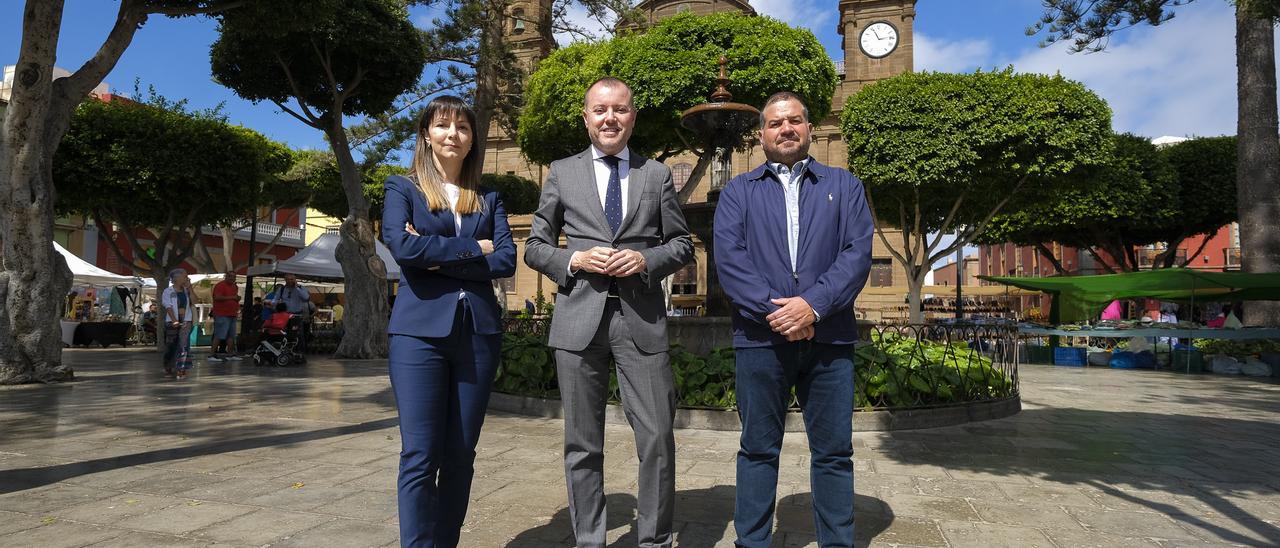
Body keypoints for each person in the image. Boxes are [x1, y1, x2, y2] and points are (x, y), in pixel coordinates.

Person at [524, 77, 693, 548]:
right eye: (600, 110)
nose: (610, 118)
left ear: (632, 117)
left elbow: (681, 244)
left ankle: (654, 540)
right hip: (578, 321)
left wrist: (646, 260)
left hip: (641, 320)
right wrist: (572, 260)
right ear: (586, 117)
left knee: (658, 436)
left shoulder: (655, 174)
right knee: (582, 443)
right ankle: (590, 539)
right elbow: (535, 247)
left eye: (620, 110)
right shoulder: (561, 171)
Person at [713, 91, 873, 547]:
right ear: (761, 134)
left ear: (809, 128)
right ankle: (753, 542)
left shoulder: (845, 186)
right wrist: (778, 313)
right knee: (758, 450)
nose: (786, 128)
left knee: (834, 454)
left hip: (830, 339)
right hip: (760, 342)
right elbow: (730, 260)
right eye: (776, 122)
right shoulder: (738, 193)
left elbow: (856, 254)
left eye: (795, 120)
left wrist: (813, 307)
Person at [382, 95, 516, 548]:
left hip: (478, 335)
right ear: (426, 135)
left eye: (462, 127)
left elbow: (505, 261)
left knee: (460, 456)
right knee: (420, 454)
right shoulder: (403, 189)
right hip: (418, 335)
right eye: (443, 125)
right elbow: (403, 250)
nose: (452, 134)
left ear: (472, 138)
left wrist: (436, 256)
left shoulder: (490, 199)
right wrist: (473, 249)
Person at [161, 268, 197, 380]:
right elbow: (168, 306)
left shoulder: (186, 291)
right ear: (177, 278)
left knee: (184, 345)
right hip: (172, 320)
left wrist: (190, 287)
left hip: (186, 320)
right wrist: (174, 320)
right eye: (185, 276)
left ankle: (182, 368)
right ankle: (168, 365)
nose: (187, 278)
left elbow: (195, 301)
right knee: (171, 345)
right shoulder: (168, 291)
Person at [209, 271, 241, 362]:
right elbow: (217, 297)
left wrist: (237, 299)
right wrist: (232, 297)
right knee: (219, 334)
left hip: (232, 314)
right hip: (222, 314)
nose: (233, 278)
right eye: (231, 276)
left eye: (234, 277)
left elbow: (234, 297)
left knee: (231, 335)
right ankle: (212, 354)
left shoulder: (235, 286)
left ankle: (230, 354)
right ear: (226, 277)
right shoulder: (220, 285)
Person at [276, 274, 311, 354]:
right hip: (285, 315)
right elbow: (276, 299)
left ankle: (300, 352)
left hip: (297, 316)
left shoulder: (301, 288)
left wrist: (297, 288)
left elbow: (306, 298)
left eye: (292, 279)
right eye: (288, 279)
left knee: (298, 334)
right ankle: (286, 351)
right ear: (285, 280)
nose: (290, 281)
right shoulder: (282, 289)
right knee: (285, 334)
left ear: (295, 280)